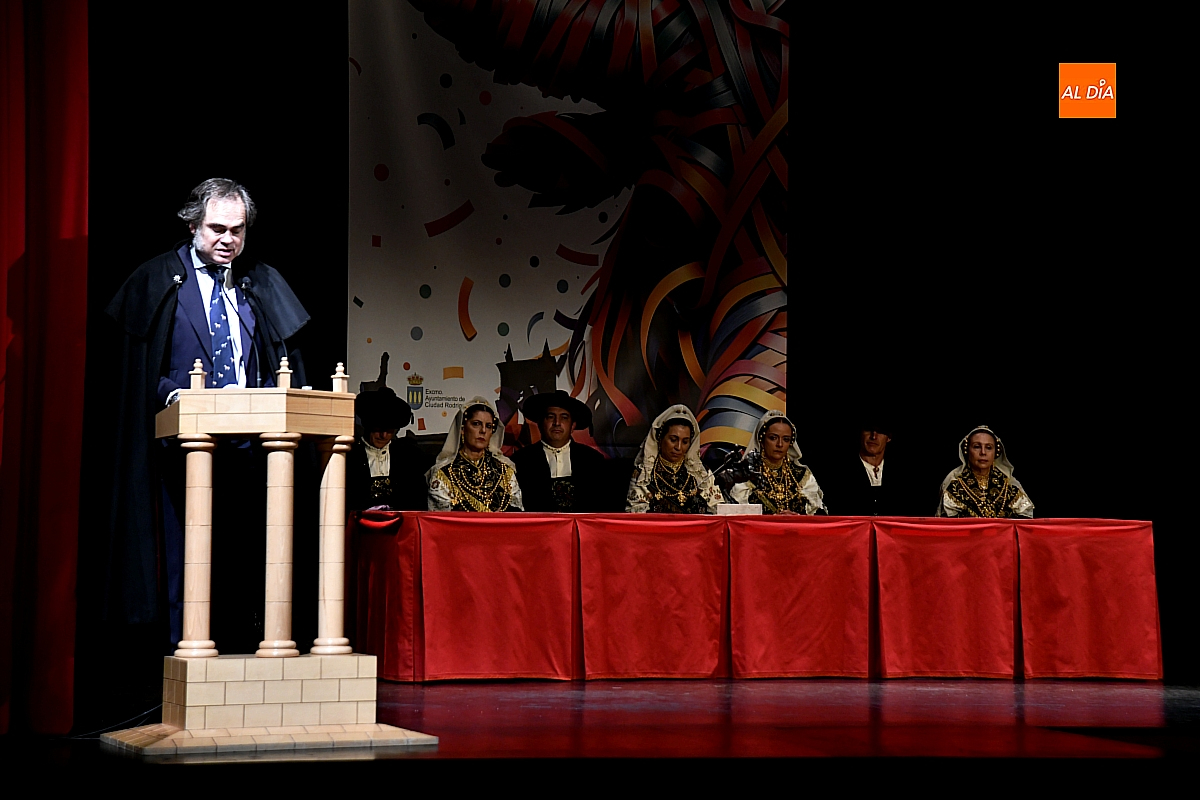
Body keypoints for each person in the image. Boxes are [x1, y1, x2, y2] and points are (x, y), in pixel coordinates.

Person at [103, 178, 310, 648]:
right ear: (193, 224)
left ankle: (240, 662)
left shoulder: (258, 282)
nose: (227, 240)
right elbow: (140, 371)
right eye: (217, 228)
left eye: (237, 230)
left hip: (248, 449)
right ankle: (185, 661)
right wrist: (173, 394)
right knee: (184, 564)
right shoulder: (158, 279)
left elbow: (276, 361)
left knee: (242, 562)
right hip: (182, 450)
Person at [511, 390, 606, 512]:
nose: (557, 423)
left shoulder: (593, 460)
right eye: (550, 417)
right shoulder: (521, 461)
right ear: (540, 423)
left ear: (572, 426)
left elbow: (602, 507)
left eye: (564, 417)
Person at [427, 397, 524, 511]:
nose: (483, 430)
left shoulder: (505, 470)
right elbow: (442, 521)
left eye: (488, 426)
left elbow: (517, 513)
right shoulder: (444, 472)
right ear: (462, 428)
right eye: (476, 424)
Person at [626, 405, 724, 514]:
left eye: (685, 442)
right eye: (673, 440)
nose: (678, 447)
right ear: (660, 438)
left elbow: (718, 512)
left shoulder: (701, 474)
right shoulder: (644, 474)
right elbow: (635, 515)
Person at [348, 387, 432, 512]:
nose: (383, 436)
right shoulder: (350, 456)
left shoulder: (409, 457)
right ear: (367, 425)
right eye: (379, 430)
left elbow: (418, 500)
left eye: (389, 431)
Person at [727, 410, 826, 514]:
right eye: (773, 438)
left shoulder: (801, 476)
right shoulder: (746, 475)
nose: (779, 444)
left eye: (786, 439)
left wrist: (797, 518)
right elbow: (737, 519)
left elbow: (819, 517)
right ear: (762, 440)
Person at [936, 425, 1034, 518]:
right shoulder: (954, 485)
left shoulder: (1009, 485)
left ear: (995, 452)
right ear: (967, 450)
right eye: (977, 446)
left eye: (988, 447)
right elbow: (948, 526)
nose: (983, 452)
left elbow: (1024, 524)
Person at [824, 424, 914, 516]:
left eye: (880, 431)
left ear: (888, 438)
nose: (873, 436)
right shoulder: (838, 473)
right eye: (868, 430)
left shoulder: (902, 475)